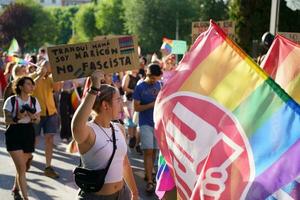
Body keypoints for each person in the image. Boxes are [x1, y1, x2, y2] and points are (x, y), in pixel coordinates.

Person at [72, 70, 139, 200]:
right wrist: (94, 88)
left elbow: (124, 163)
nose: (122, 104)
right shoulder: (89, 131)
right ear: (105, 105)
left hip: (122, 194)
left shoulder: (119, 128)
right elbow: (76, 125)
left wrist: (134, 192)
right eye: (118, 100)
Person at [3, 76, 41, 200]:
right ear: (20, 87)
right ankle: (26, 198)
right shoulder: (11, 100)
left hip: (28, 132)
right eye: (29, 84)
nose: (32, 86)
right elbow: (6, 121)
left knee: (21, 168)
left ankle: (15, 188)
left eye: (32, 84)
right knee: (21, 168)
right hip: (14, 133)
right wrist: (18, 117)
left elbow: (37, 120)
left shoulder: (34, 101)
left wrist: (33, 116)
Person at [133, 63, 163, 193]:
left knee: (155, 151)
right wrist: (152, 104)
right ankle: (150, 181)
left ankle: (149, 173)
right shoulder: (140, 87)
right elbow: (136, 107)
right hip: (145, 123)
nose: (153, 81)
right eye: (151, 78)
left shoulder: (160, 85)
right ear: (147, 74)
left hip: (157, 123)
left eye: (155, 78)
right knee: (148, 151)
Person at [32, 60, 61, 179]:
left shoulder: (50, 78)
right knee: (34, 138)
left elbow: (57, 89)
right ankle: (28, 156)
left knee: (49, 139)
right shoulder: (32, 76)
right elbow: (31, 89)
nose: (47, 68)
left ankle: (48, 167)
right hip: (37, 114)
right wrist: (39, 75)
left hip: (51, 113)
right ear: (40, 65)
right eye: (45, 65)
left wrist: (56, 76)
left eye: (48, 66)